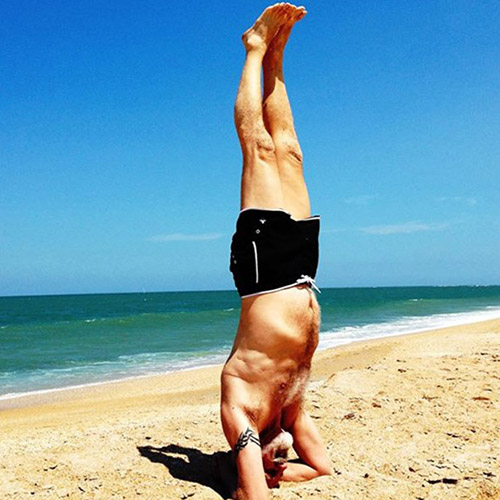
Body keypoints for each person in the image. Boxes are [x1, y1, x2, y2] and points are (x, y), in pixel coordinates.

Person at [219, 3, 331, 499]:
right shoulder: (291, 413)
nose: (286, 455)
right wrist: (285, 470)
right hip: (303, 274)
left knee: (259, 147)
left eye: (274, 459)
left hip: (264, 274)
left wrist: (259, 478)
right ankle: (279, 56)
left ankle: (254, 49)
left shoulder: (242, 416)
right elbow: (324, 469)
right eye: (285, 460)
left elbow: (253, 495)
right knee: (290, 150)